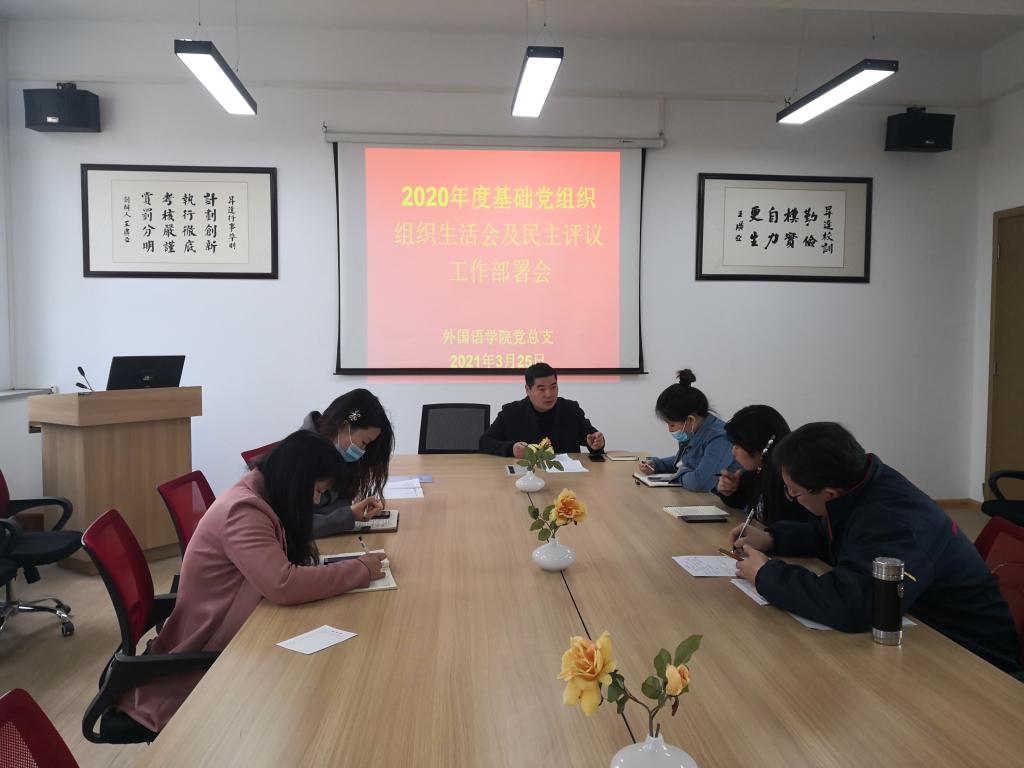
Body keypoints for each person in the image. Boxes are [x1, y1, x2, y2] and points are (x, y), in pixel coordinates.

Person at [119, 430, 389, 733]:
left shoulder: (259, 496)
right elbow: (283, 584)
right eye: (316, 490)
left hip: (237, 629)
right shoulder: (243, 511)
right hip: (203, 660)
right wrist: (359, 571)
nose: (316, 500)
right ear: (295, 480)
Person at [732, 422, 1020, 674]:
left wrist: (766, 574)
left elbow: (856, 604)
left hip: (971, 657)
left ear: (829, 494)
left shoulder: (894, 520)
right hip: (919, 626)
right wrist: (772, 538)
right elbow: (836, 535)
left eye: (792, 492)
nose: (790, 496)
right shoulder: (863, 483)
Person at [301, 388, 395, 537]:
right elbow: (292, 524)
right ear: (343, 426)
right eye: (364, 442)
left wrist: (343, 514)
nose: (363, 451)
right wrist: (346, 516)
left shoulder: (338, 456)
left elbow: (336, 507)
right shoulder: (298, 457)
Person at [639, 369, 738, 491]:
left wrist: (679, 473)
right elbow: (684, 462)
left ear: (690, 419)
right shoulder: (695, 431)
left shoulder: (720, 438)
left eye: (672, 425)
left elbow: (699, 483)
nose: (669, 430)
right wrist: (656, 465)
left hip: (719, 501)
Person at [479, 362, 605, 458]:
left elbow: (590, 437)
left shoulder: (571, 409)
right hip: (526, 476)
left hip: (565, 477)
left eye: (553, 387)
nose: (549, 394)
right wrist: (511, 449)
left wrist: (597, 442)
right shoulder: (511, 412)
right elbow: (485, 442)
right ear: (528, 390)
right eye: (542, 389)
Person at [717, 404, 813, 526]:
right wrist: (730, 491)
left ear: (760, 447)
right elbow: (740, 501)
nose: (733, 452)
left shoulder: (792, 481)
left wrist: (770, 535)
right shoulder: (759, 469)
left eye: (738, 446)